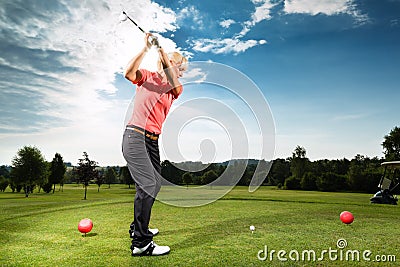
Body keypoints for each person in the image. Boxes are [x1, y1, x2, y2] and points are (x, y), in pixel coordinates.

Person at [122, 33, 187, 256]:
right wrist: (146, 49)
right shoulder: (147, 77)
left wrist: (161, 51)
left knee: (153, 185)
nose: (182, 74)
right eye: (181, 69)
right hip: (135, 136)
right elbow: (128, 73)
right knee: (148, 185)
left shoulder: (175, 89)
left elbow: (172, 79)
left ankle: (137, 229)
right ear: (171, 64)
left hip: (152, 141)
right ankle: (141, 244)